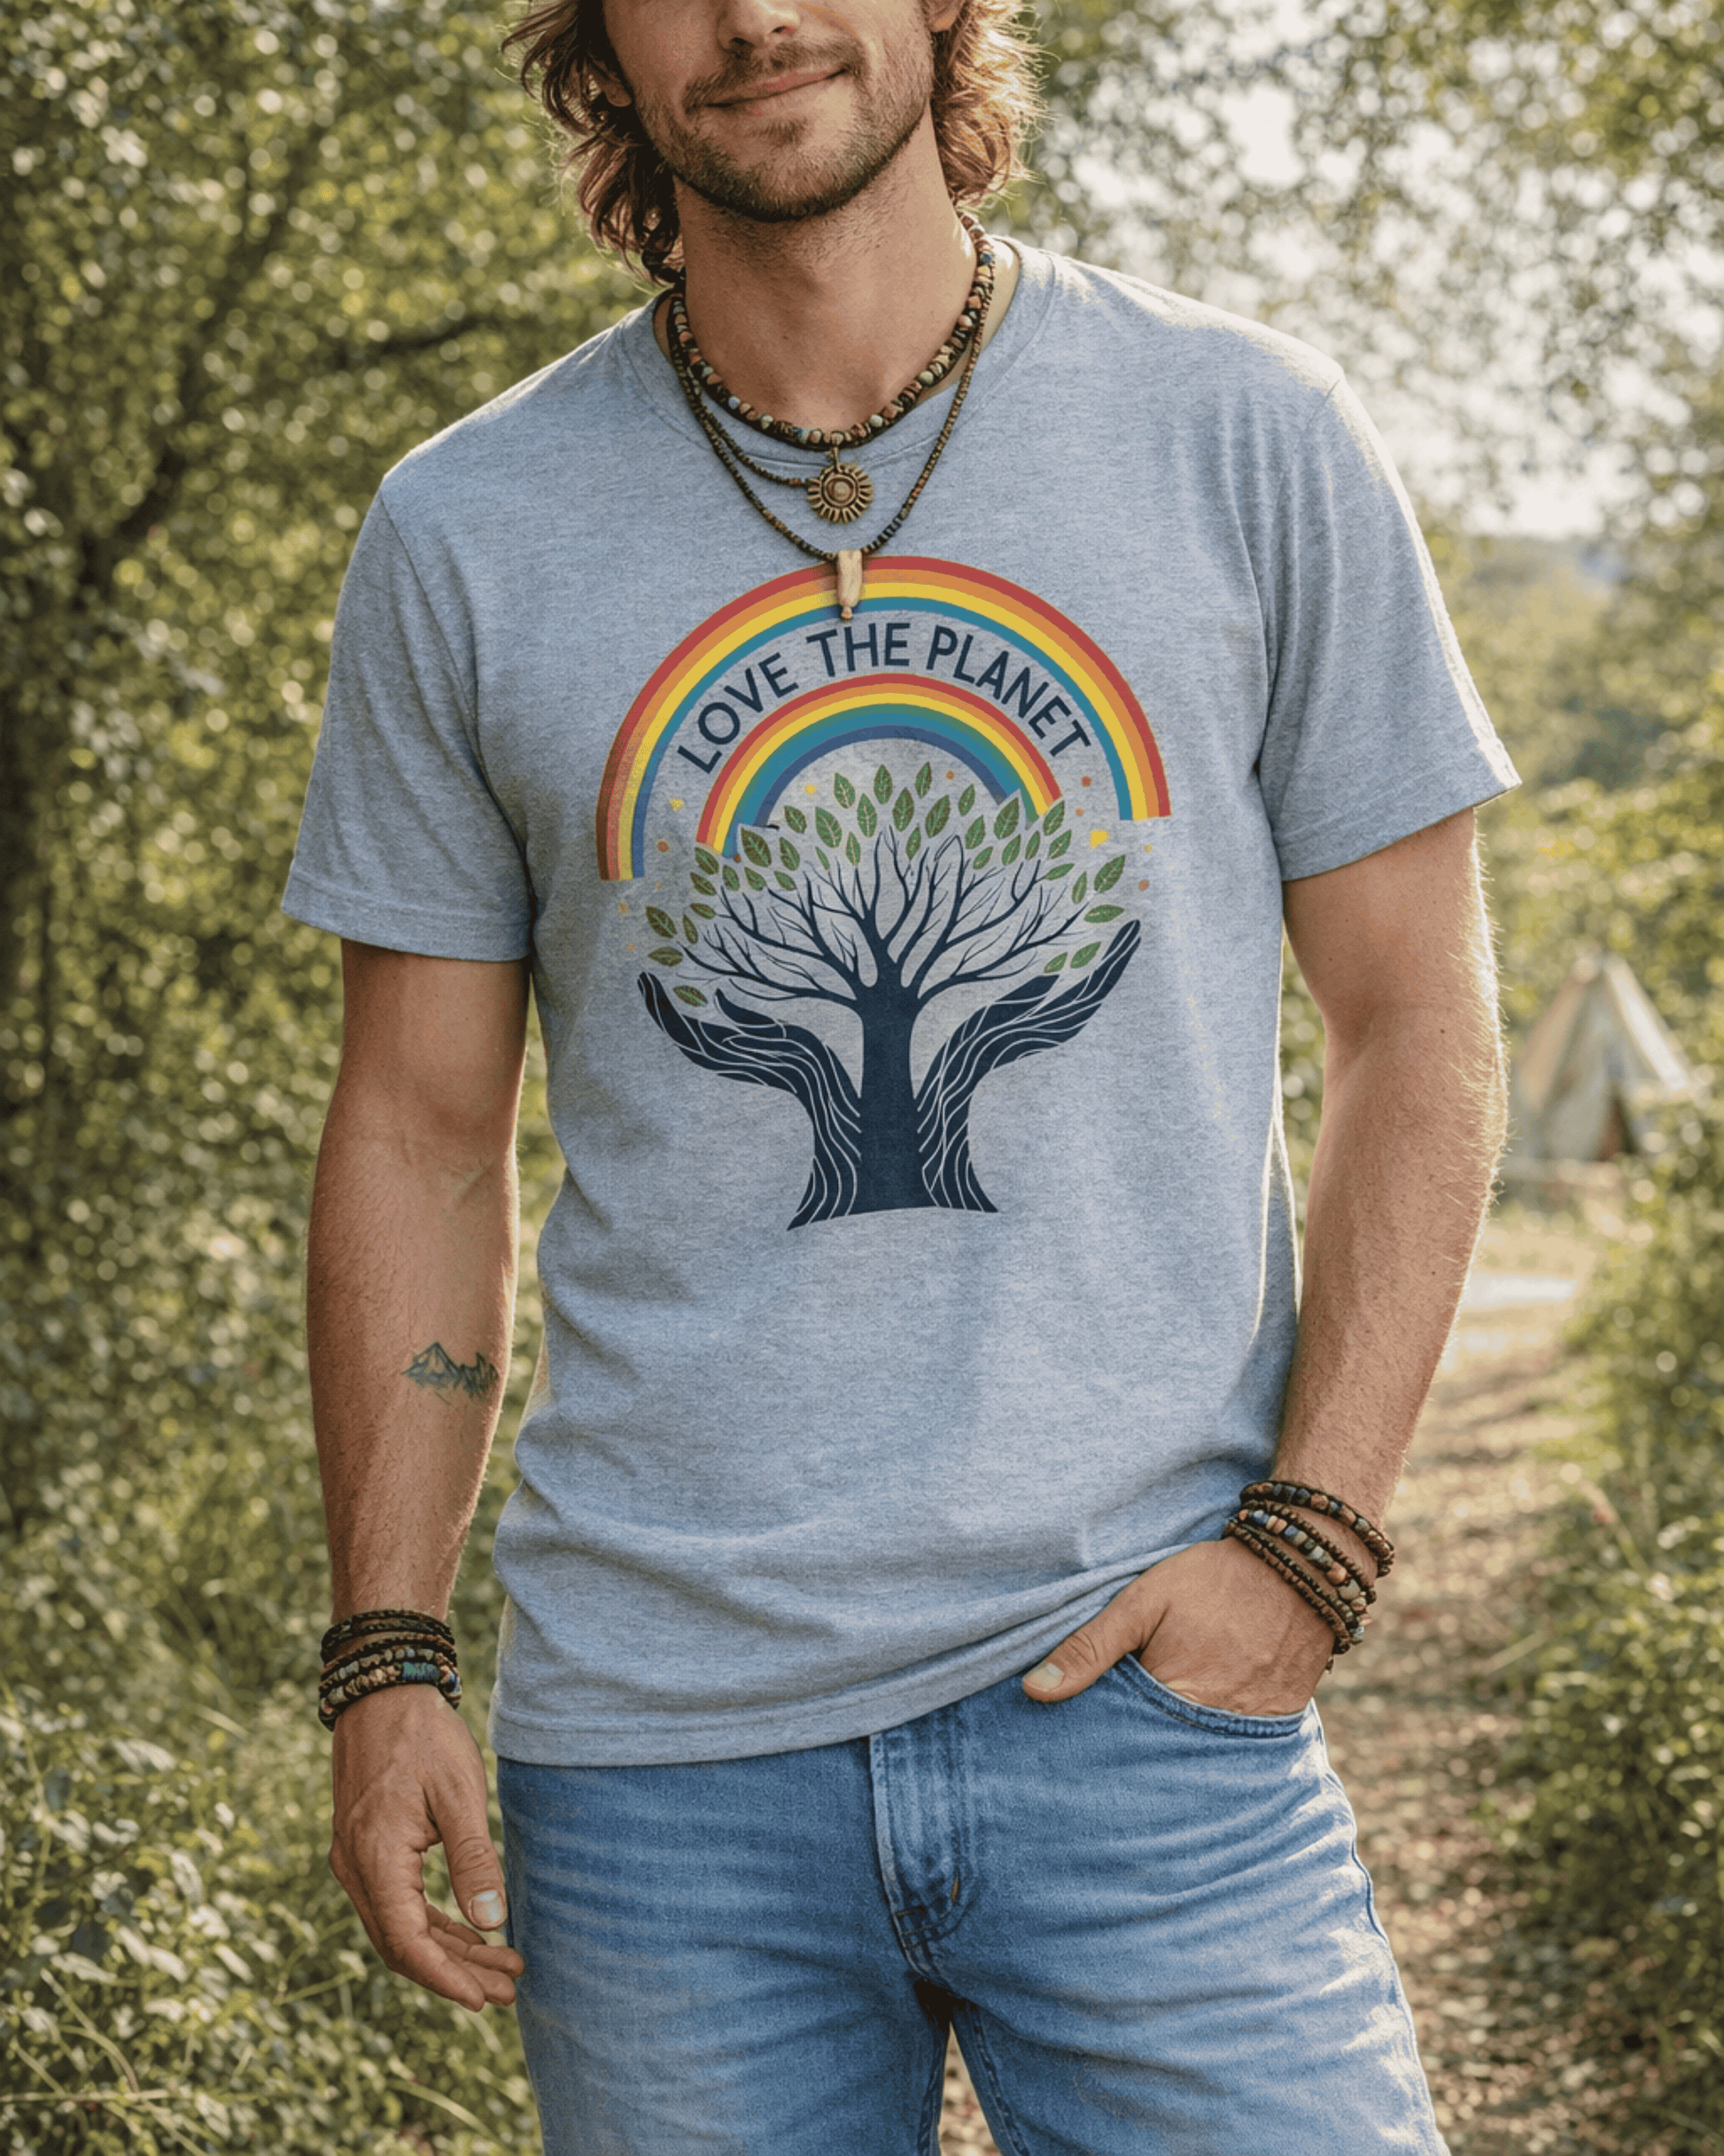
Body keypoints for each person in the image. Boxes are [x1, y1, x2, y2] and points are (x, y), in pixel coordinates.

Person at [284, 0, 1518, 2144]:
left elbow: (1418, 1014)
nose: (756, 14)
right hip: (661, 1771)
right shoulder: (464, 529)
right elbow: (416, 1122)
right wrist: (384, 1652)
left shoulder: (1242, 432)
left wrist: (1310, 1539)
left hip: (1143, 1708)